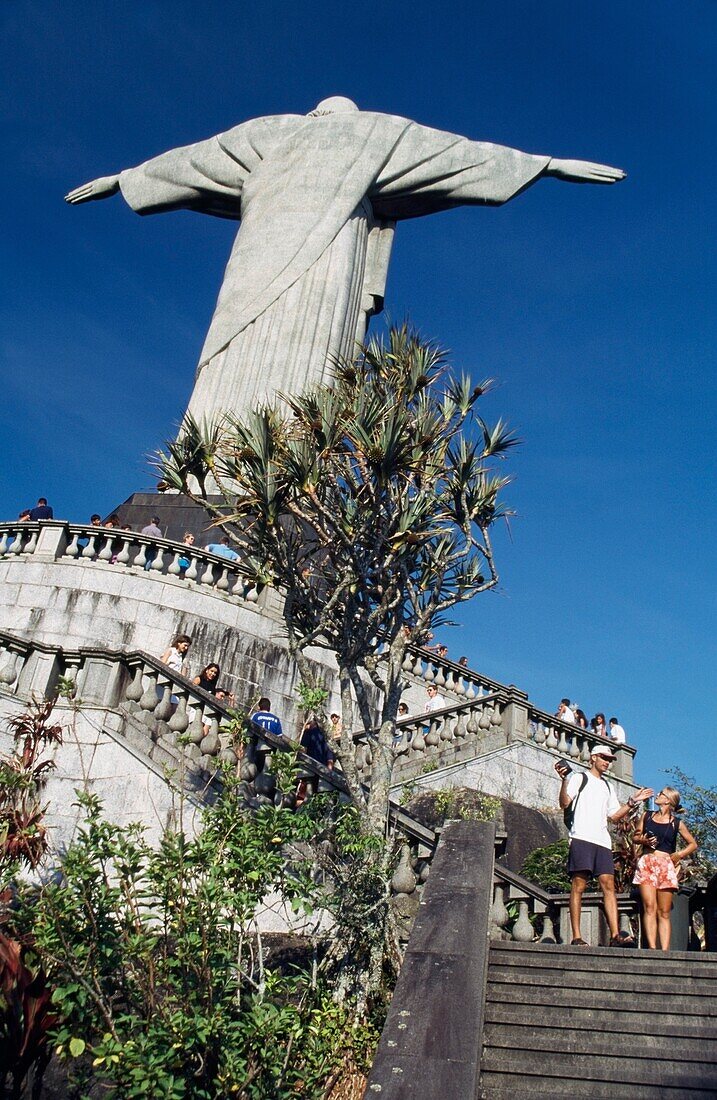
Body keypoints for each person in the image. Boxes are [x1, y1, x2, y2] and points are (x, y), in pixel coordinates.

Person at [66, 99, 624, 429]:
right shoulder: (377, 131)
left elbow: (191, 160)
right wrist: (546, 164)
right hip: (299, 253)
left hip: (305, 252)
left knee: (259, 345)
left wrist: (124, 179)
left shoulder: (269, 131)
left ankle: (228, 456)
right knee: (260, 342)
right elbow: (463, 155)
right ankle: (238, 460)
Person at [556, 748, 653, 947]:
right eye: (604, 758)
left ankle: (615, 935)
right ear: (593, 758)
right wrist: (564, 780)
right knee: (579, 885)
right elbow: (565, 803)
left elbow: (615, 815)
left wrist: (632, 801)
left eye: (610, 759)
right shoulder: (579, 778)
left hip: (602, 841)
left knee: (608, 886)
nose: (607, 762)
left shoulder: (608, 786)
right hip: (581, 837)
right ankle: (576, 936)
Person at [633, 787, 698, 950]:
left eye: (662, 794)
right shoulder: (647, 815)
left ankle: (665, 951)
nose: (658, 795)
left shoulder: (676, 823)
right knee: (649, 906)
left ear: (668, 800)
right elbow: (635, 836)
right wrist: (644, 841)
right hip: (648, 861)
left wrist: (679, 855)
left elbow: (693, 844)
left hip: (665, 864)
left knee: (664, 911)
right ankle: (653, 948)